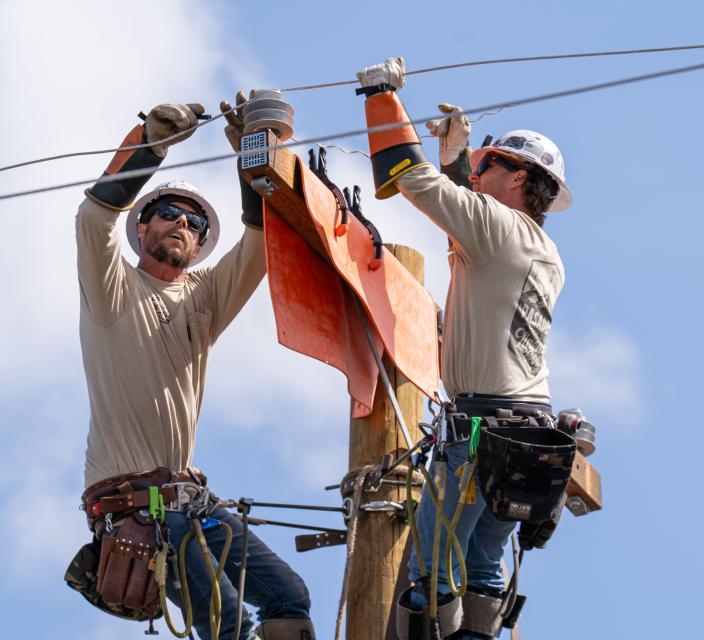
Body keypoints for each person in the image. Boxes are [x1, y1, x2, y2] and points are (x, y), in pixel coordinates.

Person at [69, 97, 316, 640]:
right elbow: (93, 217)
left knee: (289, 598)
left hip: (188, 500)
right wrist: (150, 143)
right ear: (141, 229)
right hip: (139, 504)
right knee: (224, 620)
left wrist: (256, 153)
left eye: (194, 220)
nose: (182, 221)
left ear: (201, 242)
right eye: (168, 213)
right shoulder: (113, 290)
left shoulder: (204, 300)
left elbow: (259, 243)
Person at [355, 58, 572, 639]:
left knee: (432, 572)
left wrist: (381, 98)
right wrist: (459, 155)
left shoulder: (497, 230)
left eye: (488, 165)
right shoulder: (538, 249)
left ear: (520, 179)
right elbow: (462, 216)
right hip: (529, 437)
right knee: (481, 569)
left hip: (481, 432)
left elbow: (413, 181)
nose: (477, 175)